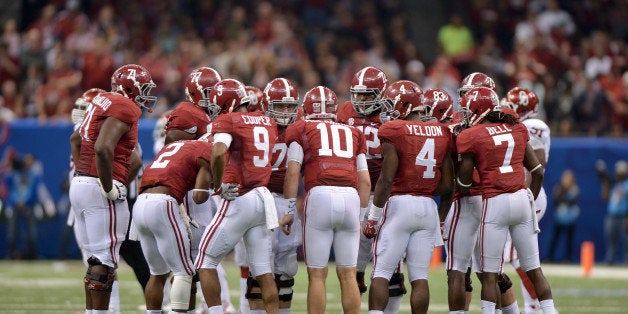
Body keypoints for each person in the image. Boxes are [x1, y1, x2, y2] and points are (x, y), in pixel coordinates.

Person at [456, 86, 556, 314]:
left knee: (490, 274)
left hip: (495, 201)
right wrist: (530, 196)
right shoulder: (516, 127)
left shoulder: (471, 135)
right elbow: (538, 171)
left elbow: (464, 182)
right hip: (522, 197)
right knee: (534, 269)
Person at [69, 64, 156, 313]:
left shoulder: (101, 101)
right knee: (104, 262)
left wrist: (83, 173)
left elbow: (75, 140)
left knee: (95, 259)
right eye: (144, 88)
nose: (146, 94)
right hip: (98, 185)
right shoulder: (124, 106)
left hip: (82, 183)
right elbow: (102, 148)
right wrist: (108, 186)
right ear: (130, 87)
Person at [362, 80, 454, 314]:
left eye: (392, 105)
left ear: (403, 106)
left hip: (400, 205)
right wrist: (425, 196)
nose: (387, 111)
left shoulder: (394, 130)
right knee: (419, 277)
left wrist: (373, 216)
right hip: (427, 207)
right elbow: (447, 184)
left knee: (381, 272)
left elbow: (386, 178)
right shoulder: (442, 131)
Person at [280, 85, 371, 314]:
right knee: (349, 273)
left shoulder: (300, 127)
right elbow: (366, 181)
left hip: (319, 195)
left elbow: (292, 172)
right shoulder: (353, 132)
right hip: (351, 197)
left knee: (317, 274)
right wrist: (359, 216)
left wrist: (289, 209)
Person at [195, 78, 280, 314]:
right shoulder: (267, 121)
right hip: (263, 198)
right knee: (263, 271)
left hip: (239, 197)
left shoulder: (228, 120)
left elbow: (219, 153)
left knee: (204, 261)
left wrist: (220, 185)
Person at [163, 66, 237, 313]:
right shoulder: (187, 112)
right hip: (191, 192)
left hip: (203, 188)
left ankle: (212, 304)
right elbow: (172, 143)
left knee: (204, 254)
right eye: (207, 92)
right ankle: (216, 305)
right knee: (202, 254)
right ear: (194, 92)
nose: (212, 96)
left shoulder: (210, 115)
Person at [336, 66, 407, 312]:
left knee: (390, 260)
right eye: (358, 94)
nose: (361, 100)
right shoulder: (345, 111)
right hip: (356, 193)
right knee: (354, 263)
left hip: (388, 194)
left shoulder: (395, 114)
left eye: (368, 95)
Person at [133, 138, 214, 313]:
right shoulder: (208, 150)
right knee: (184, 272)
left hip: (140, 203)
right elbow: (199, 197)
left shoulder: (172, 147)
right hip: (163, 203)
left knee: (157, 273)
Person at [243, 77, 302, 314]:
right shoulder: (256, 124)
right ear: (267, 104)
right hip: (261, 199)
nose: (286, 112)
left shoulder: (301, 128)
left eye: (290, 106)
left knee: (286, 269)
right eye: (280, 106)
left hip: (286, 201)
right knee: (260, 266)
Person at [442, 72, 497, 314]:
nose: (465, 103)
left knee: (457, 269)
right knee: (492, 272)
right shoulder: (509, 125)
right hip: (493, 202)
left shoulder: (459, 129)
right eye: (464, 96)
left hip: (467, 199)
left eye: (471, 97)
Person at [500, 85, 552, 313]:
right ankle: (533, 306)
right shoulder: (524, 125)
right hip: (522, 192)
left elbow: (535, 165)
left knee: (516, 256)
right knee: (519, 256)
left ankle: (541, 306)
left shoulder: (534, 126)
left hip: (530, 192)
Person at [598, 159, 628, 265]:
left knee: (625, 240)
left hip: (623, 216)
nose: (618, 174)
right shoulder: (614, 183)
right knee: (611, 239)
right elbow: (605, 197)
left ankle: (626, 260)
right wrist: (605, 183)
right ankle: (610, 259)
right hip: (612, 215)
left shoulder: (626, 184)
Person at [547, 169, 580, 262]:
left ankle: (567, 258)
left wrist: (561, 195)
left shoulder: (574, 189)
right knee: (555, 238)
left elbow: (570, 202)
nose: (566, 180)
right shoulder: (559, 188)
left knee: (569, 240)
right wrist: (560, 195)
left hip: (570, 219)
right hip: (559, 218)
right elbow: (555, 202)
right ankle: (550, 257)